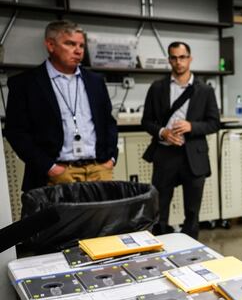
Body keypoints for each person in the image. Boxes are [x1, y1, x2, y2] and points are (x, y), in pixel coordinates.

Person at [5, 20, 117, 192]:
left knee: (105, 220)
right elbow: (16, 132)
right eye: (70, 44)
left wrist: (110, 160)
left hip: (98, 170)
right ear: (50, 45)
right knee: (61, 219)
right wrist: (50, 167)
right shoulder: (26, 84)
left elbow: (108, 123)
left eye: (81, 45)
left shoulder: (95, 82)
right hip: (56, 174)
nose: (78, 50)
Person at [141, 41, 219, 239]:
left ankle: (190, 250)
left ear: (190, 59)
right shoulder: (157, 88)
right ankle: (161, 250)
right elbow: (146, 121)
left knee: (192, 214)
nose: (179, 62)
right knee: (159, 211)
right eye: (174, 57)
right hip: (165, 155)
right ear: (169, 60)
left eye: (182, 57)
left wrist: (191, 126)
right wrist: (162, 132)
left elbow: (214, 123)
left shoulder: (205, 90)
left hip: (194, 156)